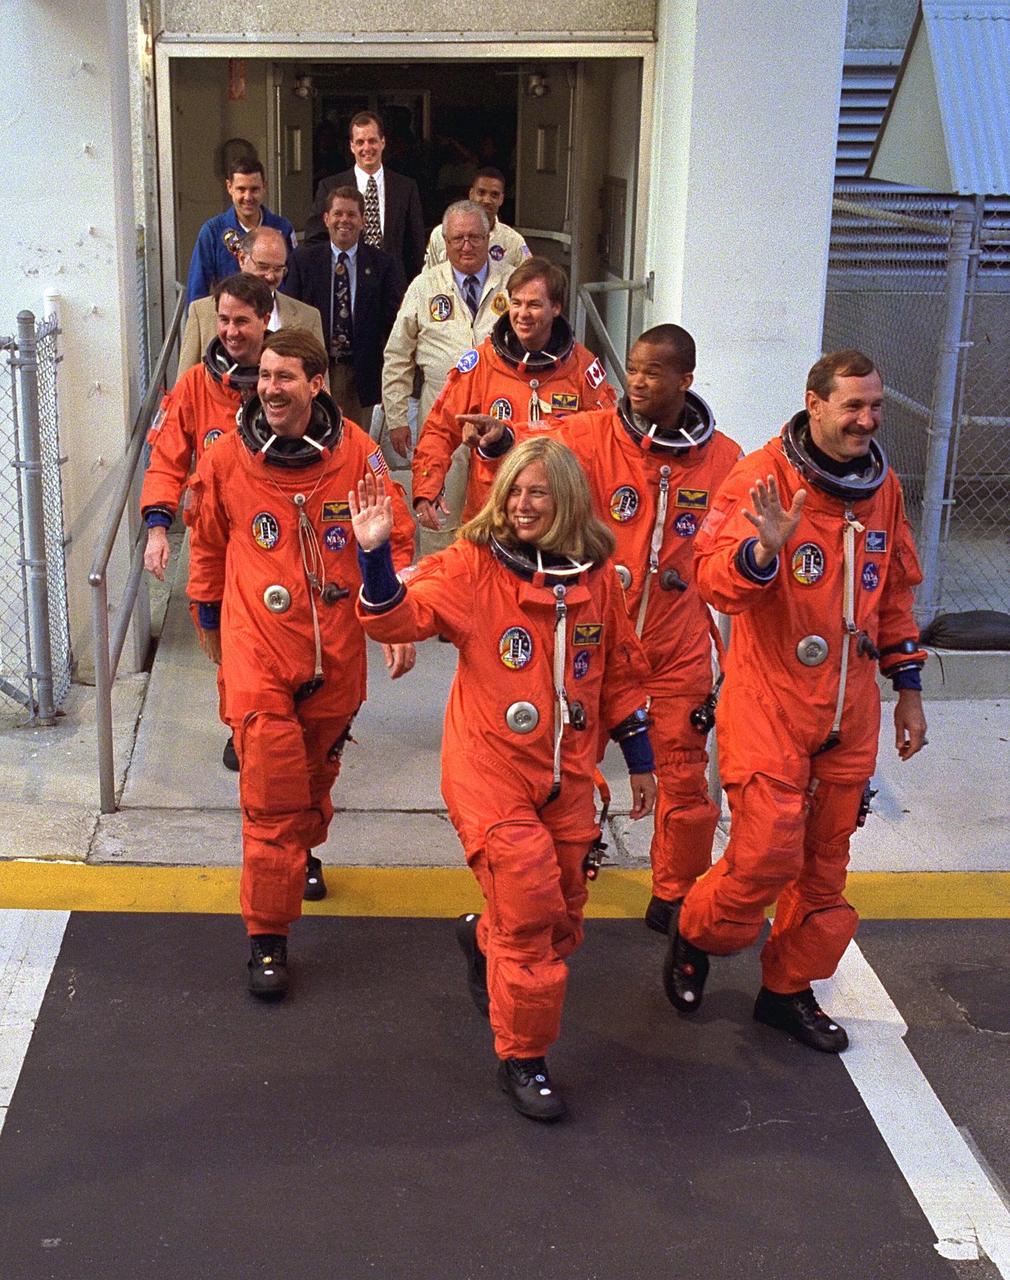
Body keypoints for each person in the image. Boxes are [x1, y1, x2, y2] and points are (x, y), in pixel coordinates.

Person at [351, 437, 657, 1122]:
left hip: (567, 775)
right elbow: (400, 615)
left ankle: (479, 938)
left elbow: (620, 672)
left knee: (562, 918)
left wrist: (641, 759)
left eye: (537, 492)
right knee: (528, 908)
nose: (521, 503)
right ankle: (524, 1057)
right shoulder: (472, 566)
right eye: (514, 490)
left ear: (568, 500)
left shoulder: (598, 578)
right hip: (490, 771)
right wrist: (375, 557)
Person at [666, 349, 929, 1053]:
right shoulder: (760, 479)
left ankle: (785, 992)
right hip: (771, 701)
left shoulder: (884, 490)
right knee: (763, 853)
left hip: (849, 710)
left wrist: (908, 691)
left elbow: (895, 595)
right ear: (814, 404)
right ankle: (695, 932)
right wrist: (764, 551)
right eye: (853, 406)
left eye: (876, 407)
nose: (867, 421)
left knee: (824, 863)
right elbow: (716, 582)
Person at [459, 325, 742, 948]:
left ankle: (673, 895)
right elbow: (537, 455)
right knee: (563, 776)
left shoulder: (724, 460)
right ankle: (538, 892)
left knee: (687, 784)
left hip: (675, 648)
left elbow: (733, 546)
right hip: (594, 640)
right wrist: (501, 440)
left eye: (652, 373)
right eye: (633, 369)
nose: (637, 382)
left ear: (685, 381)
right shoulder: (592, 435)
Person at [185, 329, 416, 998]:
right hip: (260, 649)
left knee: (315, 775)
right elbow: (206, 544)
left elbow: (396, 539)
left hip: (336, 652)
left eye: (287, 376)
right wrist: (207, 618)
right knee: (271, 790)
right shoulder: (229, 458)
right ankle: (268, 936)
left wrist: (394, 611)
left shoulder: (359, 457)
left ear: (317, 384)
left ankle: (302, 849)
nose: (272, 388)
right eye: (265, 375)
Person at [411, 256, 617, 532]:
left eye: (533, 304)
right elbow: (440, 427)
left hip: (558, 515)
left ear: (556, 307)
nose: (522, 314)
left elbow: (607, 438)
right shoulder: (482, 362)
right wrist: (427, 487)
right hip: (492, 511)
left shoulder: (581, 366)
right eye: (516, 303)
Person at [380, 201, 509, 550]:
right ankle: (442, 593)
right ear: (444, 241)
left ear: (488, 237)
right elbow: (397, 356)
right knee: (437, 509)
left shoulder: (511, 282)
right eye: (457, 239)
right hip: (440, 415)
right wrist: (396, 417)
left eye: (474, 237)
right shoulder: (424, 286)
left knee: (499, 514)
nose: (466, 246)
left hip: (498, 418)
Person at [142, 273, 273, 585]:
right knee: (207, 610)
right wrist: (157, 530)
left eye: (241, 321)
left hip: (271, 524)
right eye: (223, 320)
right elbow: (165, 460)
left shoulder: (286, 380)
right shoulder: (194, 384)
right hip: (211, 529)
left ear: (265, 319)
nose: (230, 331)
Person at [282, 185, 404, 427]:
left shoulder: (382, 264)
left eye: (351, 214)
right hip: (315, 368)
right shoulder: (303, 261)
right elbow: (290, 316)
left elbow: (393, 324)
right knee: (316, 433)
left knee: (356, 443)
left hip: (362, 374)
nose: (344, 220)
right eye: (338, 214)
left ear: (363, 220)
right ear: (326, 219)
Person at [178, 228, 324, 375]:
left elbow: (321, 388)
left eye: (278, 269)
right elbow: (182, 388)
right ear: (242, 259)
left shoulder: (308, 318)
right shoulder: (201, 312)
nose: (270, 276)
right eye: (263, 267)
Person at [305, 111, 426, 284]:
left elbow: (415, 246)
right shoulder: (329, 187)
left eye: (372, 141)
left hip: (393, 288)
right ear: (352, 146)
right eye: (360, 142)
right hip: (345, 283)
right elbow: (315, 240)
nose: (367, 148)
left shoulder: (406, 188)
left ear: (383, 142)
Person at [184, 159, 296, 309]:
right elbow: (197, 289)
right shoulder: (212, 231)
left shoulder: (282, 228)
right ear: (229, 187)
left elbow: (294, 282)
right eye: (241, 189)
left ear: (265, 187)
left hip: (274, 319)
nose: (248, 197)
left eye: (254, 189)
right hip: (231, 322)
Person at [424, 168, 530, 270]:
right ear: (471, 194)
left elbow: (529, 279)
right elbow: (428, 279)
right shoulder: (441, 234)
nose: (487, 200)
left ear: (501, 199)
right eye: (481, 192)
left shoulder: (514, 242)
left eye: (494, 195)